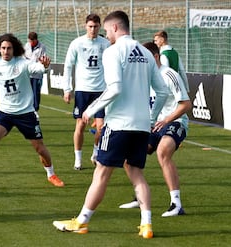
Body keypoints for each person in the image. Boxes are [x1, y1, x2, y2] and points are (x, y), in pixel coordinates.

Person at [52, 10, 168, 238]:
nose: (106, 35)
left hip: (118, 124)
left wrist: (91, 110)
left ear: (115, 28)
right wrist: (152, 118)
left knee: (101, 173)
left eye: (106, 30)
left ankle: (82, 221)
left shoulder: (113, 51)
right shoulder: (146, 53)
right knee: (137, 173)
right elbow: (162, 91)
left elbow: (115, 87)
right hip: (142, 125)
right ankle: (146, 225)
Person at [0, 33, 64, 190]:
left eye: (9, 48)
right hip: (5, 113)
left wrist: (45, 66)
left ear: (14, 49)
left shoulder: (23, 63)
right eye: (3, 48)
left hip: (26, 114)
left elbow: (37, 69)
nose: (6, 51)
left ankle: (51, 174)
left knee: (39, 148)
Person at [118, 42, 191, 217]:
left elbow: (186, 104)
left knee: (163, 152)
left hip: (175, 122)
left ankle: (176, 204)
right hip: (152, 125)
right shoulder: (143, 77)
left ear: (155, 57)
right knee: (129, 159)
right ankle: (139, 196)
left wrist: (166, 119)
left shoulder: (169, 74)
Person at [62, 14, 110, 170]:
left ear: (100, 27)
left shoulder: (106, 44)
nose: (93, 29)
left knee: (101, 127)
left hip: (101, 91)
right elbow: (68, 66)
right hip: (83, 90)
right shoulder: (77, 43)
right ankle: (78, 159)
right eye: (90, 26)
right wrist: (67, 89)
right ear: (85, 26)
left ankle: (95, 153)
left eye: (96, 26)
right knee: (81, 125)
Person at [24, 32, 46, 112]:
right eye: (29, 41)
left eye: (32, 41)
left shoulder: (42, 47)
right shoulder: (26, 46)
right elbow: (24, 57)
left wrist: (36, 65)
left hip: (37, 74)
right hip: (28, 74)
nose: (30, 43)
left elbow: (42, 59)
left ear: (36, 40)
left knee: (36, 93)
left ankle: (35, 110)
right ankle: (27, 109)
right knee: (27, 92)